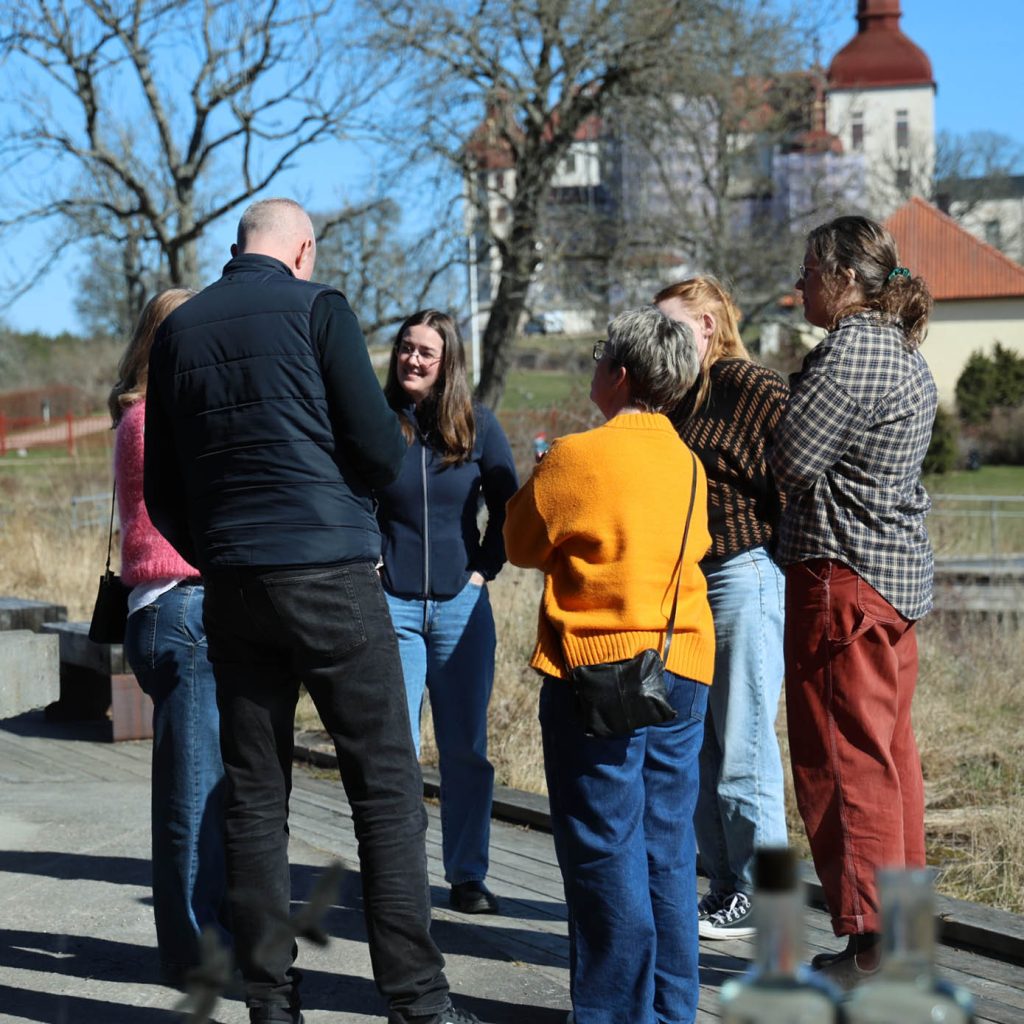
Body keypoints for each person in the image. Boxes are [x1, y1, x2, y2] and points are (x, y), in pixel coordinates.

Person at [143, 198, 482, 1024]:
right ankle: (417, 1001)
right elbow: (377, 448)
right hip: (330, 575)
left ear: (237, 250)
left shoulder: (179, 332)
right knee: (386, 788)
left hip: (234, 586)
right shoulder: (318, 307)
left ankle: (270, 1003)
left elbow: (161, 487)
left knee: (257, 798)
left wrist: (221, 545)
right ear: (303, 252)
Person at [504, 306, 715, 1024]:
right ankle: (671, 1009)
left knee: (603, 846)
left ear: (619, 372)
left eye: (600, 356)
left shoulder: (573, 456)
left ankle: (613, 1015)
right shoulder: (688, 462)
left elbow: (521, 543)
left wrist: (537, 477)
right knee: (667, 845)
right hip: (682, 662)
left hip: (597, 672)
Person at [768, 215, 937, 988]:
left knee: (844, 767)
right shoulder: (902, 351)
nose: (800, 283)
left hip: (841, 584)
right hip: (889, 587)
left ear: (841, 277)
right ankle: (895, 942)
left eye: (808, 270)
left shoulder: (851, 352)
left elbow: (791, 459)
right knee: (891, 763)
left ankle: (873, 951)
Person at [654, 277, 788, 940]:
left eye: (671, 325)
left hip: (743, 576)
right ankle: (728, 888)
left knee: (747, 746)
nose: (661, 339)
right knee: (704, 749)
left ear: (707, 324)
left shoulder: (753, 386)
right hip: (689, 587)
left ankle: (775, 910)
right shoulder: (677, 397)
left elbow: (800, 473)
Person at [376, 309, 518, 916]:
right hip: (393, 606)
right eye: (406, 348)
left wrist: (485, 568)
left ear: (448, 362)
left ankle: (467, 875)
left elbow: (512, 505)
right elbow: (348, 496)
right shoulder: (376, 422)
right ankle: (402, 877)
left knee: (465, 749)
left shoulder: (479, 425)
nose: (412, 359)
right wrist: (371, 562)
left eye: (425, 352)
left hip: (462, 607)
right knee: (397, 749)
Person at [109, 287, 229, 987]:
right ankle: (194, 957)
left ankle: (206, 941)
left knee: (200, 790)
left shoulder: (138, 414)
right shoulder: (161, 420)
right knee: (190, 799)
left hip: (160, 613)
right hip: (184, 609)